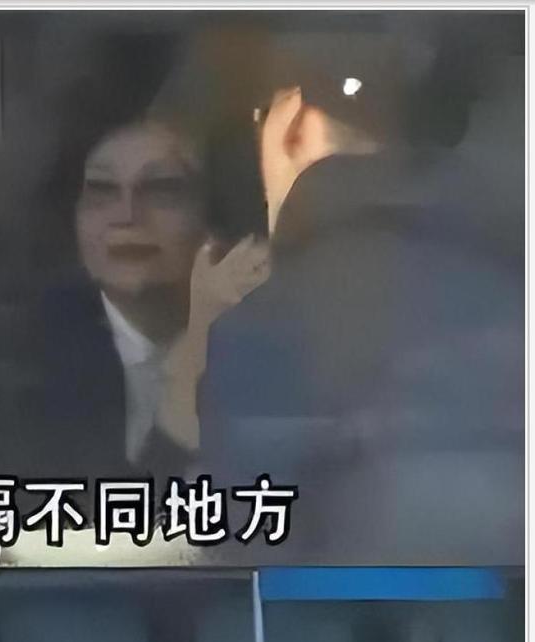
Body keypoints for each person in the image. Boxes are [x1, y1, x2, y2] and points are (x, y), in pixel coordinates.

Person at [197, 29, 524, 564]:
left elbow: (239, 556)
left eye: (259, 118)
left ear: (295, 125)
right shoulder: (513, 292)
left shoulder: (263, 327)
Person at [0, 105, 268, 488]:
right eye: (101, 191)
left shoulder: (267, 339)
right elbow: (100, 514)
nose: (127, 215)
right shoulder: (27, 359)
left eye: (161, 189)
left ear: (213, 221)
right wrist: (196, 349)